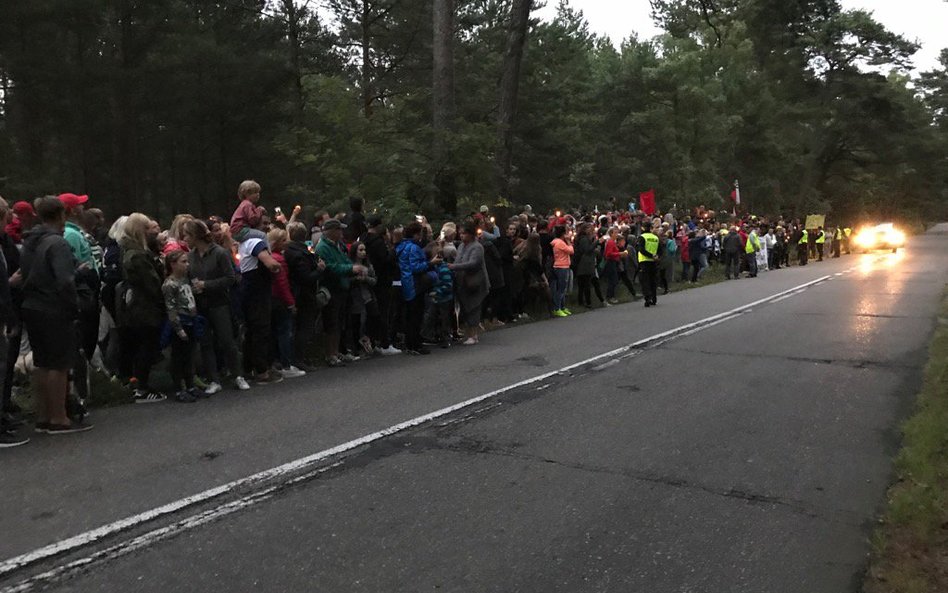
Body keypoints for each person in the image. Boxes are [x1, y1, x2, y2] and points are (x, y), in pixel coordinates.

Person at [19, 196, 92, 432]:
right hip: (53, 308)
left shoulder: (31, 241)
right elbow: (64, 281)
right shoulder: (57, 244)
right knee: (59, 364)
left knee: (41, 363)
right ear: (61, 215)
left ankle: (43, 416)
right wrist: (74, 306)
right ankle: (59, 418)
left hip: (32, 306)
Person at [184, 219, 246, 393]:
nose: (184, 238)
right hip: (200, 305)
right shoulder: (190, 257)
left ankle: (238, 375)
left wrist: (206, 285)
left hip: (219, 303)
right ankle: (214, 379)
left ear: (196, 235)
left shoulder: (220, 253)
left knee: (227, 340)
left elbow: (230, 278)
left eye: (187, 234)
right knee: (206, 343)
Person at [118, 213, 167, 403]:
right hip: (144, 308)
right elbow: (152, 284)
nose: (151, 232)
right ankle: (142, 387)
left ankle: (140, 384)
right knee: (146, 347)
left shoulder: (132, 251)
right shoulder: (137, 256)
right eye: (147, 228)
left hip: (139, 307)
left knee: (144, 347)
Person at [238, 217, 283, 384]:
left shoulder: (243, 243)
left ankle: (249, 368)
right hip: (258, 291)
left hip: (249, 290)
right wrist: (277, 266)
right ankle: (262, 371)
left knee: (251, 331)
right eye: (263, 224)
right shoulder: (255, 241)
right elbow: (269, 263)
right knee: (261, 330)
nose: (266, 227)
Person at [316, 219, 367, 366]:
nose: (341, 232)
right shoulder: (323, 247)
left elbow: (344, 260)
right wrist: (350, 269)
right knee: (331, 323)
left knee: (338, 323)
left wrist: (354, 268)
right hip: (332, 288)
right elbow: (330, 267)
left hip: (341, 287)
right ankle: (330, 354)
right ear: (331, 231)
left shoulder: (337, 245)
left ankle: (336, 351)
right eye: (339, 230)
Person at [283, 221, 327, 370]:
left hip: (294, 293)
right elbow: (306, 277)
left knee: (296, 327)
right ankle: (298, 358)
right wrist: (319, 270)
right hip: (303, 294)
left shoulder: (289, 251)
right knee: (304, 327)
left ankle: (295, 357)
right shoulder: (300, 254)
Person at [162, 251, 203, 402]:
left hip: (192, 320)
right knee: (178, 357)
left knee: (190, 356)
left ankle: (191, 385)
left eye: (187, 262)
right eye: (183, 262)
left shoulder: (185, 280)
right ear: (173, 264)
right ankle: (179, 388)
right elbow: (171, 308)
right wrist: (178, 328)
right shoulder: (170, 284)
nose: (187, 265)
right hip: (181, 322)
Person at [396, 221, 439, 355]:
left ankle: (410, 343)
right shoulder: (413, 248)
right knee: (416, 315)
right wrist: (430, 263)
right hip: (415, 284)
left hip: (406, 283)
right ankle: (415, 344)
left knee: (410, 315)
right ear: (415, 234)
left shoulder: (401, 247)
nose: (420, 236)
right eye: (419, 234)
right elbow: (415, 267)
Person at [362, 216, 400, 355]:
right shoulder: (378, 242)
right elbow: (385, 260)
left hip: (371, 279)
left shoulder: (363, 239)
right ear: (378, 226)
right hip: (383, 279)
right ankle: (385, 343)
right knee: (384, 311)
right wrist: (392, 251)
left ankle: (374, 340)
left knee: (374, 312)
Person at [449, 223, 489, 345]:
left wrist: (454, 267)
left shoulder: (477, 247)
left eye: (464, 233)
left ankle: (474, 334)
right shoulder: (461, 246)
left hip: (475, 282)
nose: (461, 236)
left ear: (471, 234)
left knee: (474, 307)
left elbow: (473, 263)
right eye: (460, 233)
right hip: (463, 281)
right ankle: (469, 333)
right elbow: (458, 259)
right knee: (465, 307)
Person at [550, 226, 574, 316]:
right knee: (561, 288)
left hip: (561, 265)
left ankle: (562, 306)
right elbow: (571, 251)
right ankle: (557, 308)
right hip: (562, 266)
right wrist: (569, 242)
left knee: (562, 289)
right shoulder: (560, 243)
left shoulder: (556, 242)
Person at [637, 225, 660, 307]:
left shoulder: (642, 237)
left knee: (645, 281)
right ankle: (654, 298)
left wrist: (650, 255)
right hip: (653, 262)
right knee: (653, 280)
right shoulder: (655, 238)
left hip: (644, 261)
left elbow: (641, 249)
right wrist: (656, 256)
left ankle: (647, 298)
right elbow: (659, 249)